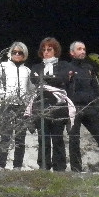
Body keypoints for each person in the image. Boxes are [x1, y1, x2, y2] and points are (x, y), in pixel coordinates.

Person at [65, 41, 99, 172]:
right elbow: (63, 89)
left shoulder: (89, 68)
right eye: (79, 49)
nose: (83, 51)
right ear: (72, 52)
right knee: (74, 140)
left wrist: (95, 105)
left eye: (84, 49)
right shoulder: (67, 68)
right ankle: (76, 169)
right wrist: (69, 106)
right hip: (74, 109)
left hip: (90, 108)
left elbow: (95, 88)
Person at [27, 37, 74, 171]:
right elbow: (35, 78)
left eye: (49, 49)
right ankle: (44, 166)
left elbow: (64, 78)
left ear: (55, 50)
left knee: (58, 138)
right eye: (44, 49)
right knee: (43, 139)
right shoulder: (37, 66)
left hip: (59, 106)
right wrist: (55, 79)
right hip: (41, 105)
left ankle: (60, 167)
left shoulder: (64, 65)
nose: (46, 52)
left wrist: (46, 80)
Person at [0, 41, 33, 169]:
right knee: (5, 136)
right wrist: (3, 94)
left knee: (20, 138)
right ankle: (0, 165)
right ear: (10, 53)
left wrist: (28, 100)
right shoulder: (2, 67)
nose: (17, 54)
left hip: (22, 107)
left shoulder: (27, 71)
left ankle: (17, 166)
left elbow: (31, 89)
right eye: (14, 52)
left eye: (20, 52)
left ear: (25, 55)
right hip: (7, 105)